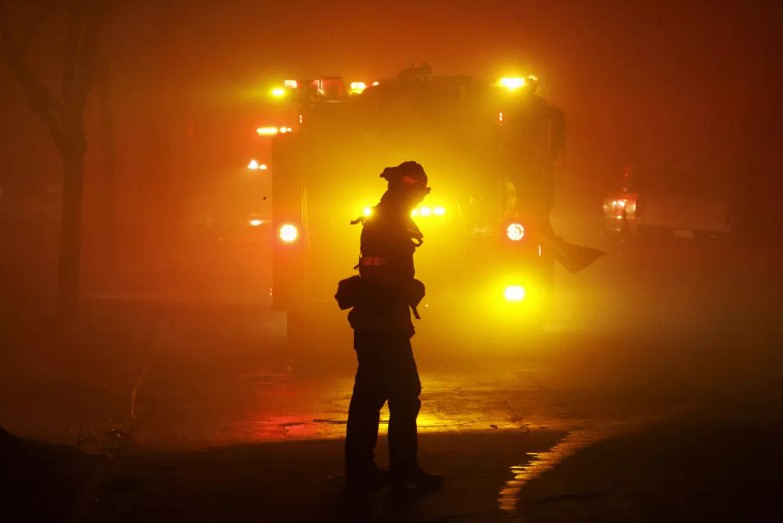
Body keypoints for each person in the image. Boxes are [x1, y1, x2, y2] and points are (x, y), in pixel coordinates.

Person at [336, 161, 443, 491]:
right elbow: (379, 275)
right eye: (420, 193)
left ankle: (362, 468)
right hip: (383, 323)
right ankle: (402, 470)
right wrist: (408, 288)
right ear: (408, 191)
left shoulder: (388, 217)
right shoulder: (388, 221)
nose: (421, 200)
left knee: (370, 395)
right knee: (404, 394)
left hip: (378, 322)